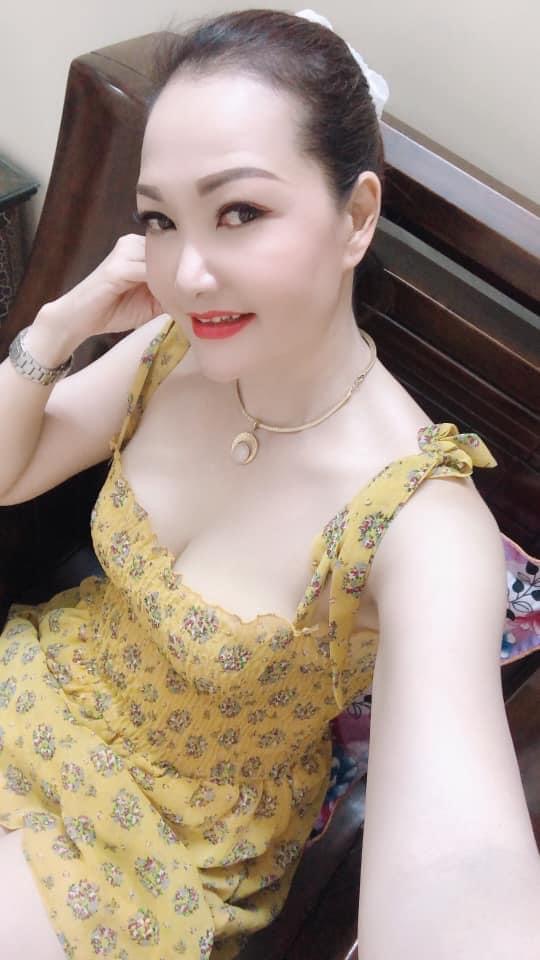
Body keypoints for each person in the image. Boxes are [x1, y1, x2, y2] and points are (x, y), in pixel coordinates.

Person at [0, 8, 538, 959]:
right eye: (161, 219)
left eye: (240, 212)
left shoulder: (419, 521)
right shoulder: (169, 349)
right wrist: (57, 325)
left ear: (357, 216)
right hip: (39, 687)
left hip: (165, 839)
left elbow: (463, 868)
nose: (189, 272)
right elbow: (11, 474)